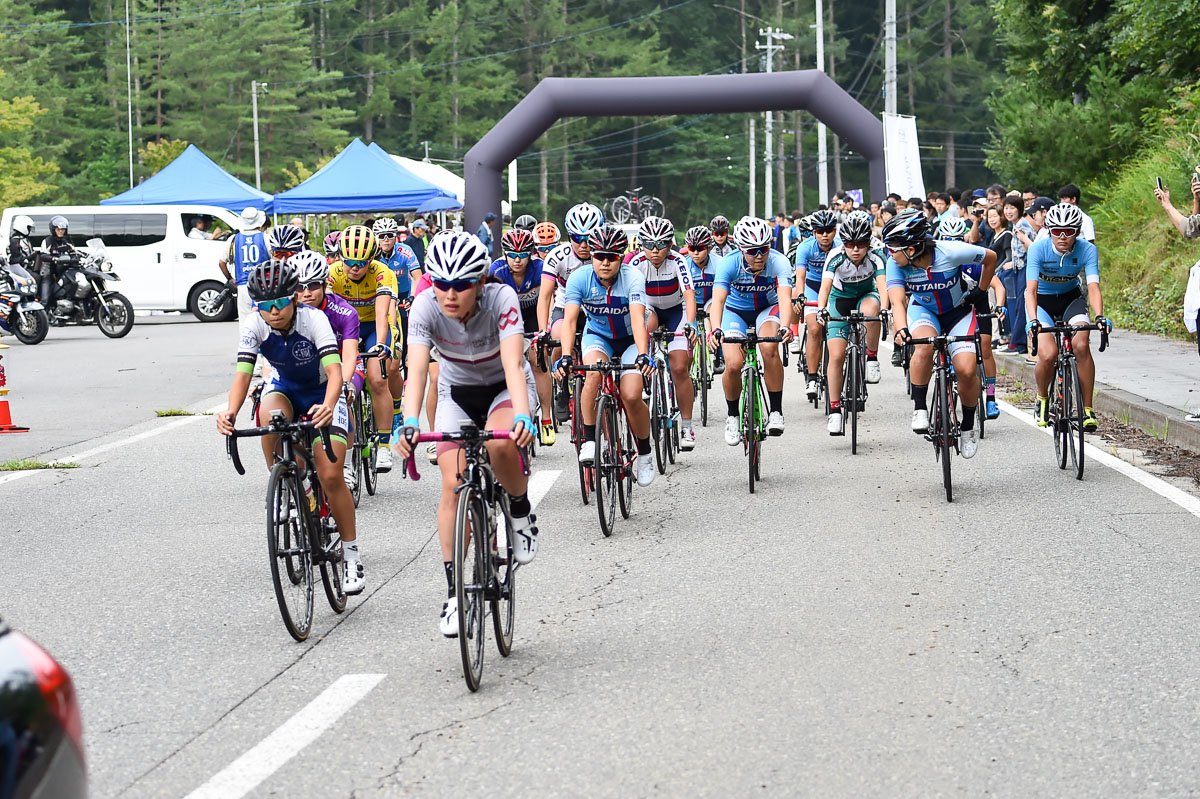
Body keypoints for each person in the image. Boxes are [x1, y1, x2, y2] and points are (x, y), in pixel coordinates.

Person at [395, 231, 538, 637]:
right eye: (442, 284)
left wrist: (524, 417)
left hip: (502, 387)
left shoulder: (502, 299)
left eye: (461, 285)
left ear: (479, 282)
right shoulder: (424, 306)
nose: (450, 294)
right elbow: (418, 370)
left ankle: (520, 510)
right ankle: (456, 592)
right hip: (457, 391)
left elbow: (513, 366)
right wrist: (408, 422)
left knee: (499, 443)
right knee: (452, 483)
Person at [215, 259, 364, 595]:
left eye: (281, 303)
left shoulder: (315, 320)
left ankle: (352, 555)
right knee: (268, 418)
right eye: (265, 306)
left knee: (329, 473)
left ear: (294, 297)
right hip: (284, 388)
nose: (274, 312)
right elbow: (242, 374)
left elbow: (335, 371)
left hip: (322, 390)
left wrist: (328, 405)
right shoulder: (254, 324)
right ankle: (288, 485)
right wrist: (230, 412)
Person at [884, 210, 997, 458]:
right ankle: (920, 408)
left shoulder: (952, 251)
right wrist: (902, 329)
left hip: (959, 312)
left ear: (911, 248)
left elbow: (991, 257)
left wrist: (981, 290)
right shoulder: (894, 264)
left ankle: (967, 425)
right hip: (924, 310)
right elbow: (898, 301)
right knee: (923, 347)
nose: (889, 253)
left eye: (893, 247)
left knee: (967, 370)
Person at [552, 223, 657, 487]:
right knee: (593, 375)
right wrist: (565, 355)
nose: (606, 262)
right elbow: (570, 321)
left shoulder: (632, 277)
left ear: (621, 257)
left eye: (612, 257)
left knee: (632, 395)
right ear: (592, 256)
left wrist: (643, 354)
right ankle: (589, 440)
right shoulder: (580, 278)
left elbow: (637, 319)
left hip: (630, 340)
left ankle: (644, 452)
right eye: (600, 256)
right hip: (598, 337)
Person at [708, 216, 795, 445]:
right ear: (740, 249)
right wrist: (715, 329)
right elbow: (717, 302)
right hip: (734, 311)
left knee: (769, 347)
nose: (759, 256)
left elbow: (785, 298)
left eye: (764, 249)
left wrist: (786, 325)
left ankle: (776, 411)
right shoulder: (729, 263)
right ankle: (732, 415)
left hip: (767, 309)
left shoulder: (778, 262)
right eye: (752, 251)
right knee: (733, 363)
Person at [1024, 203, 1111, 431]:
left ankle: (1087, 410)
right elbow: (1030, 290)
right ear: (1049, 230)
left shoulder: (1087, 250)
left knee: (1081, 345)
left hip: (1071, 299)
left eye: (1069, 231)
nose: (1062, 236)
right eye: (1056, 231)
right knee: (1049, 353)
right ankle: (1043, 398)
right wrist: (1033, 320)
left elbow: (1093, 286)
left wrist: (1100, 316)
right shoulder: (1038, 249)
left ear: (1078, 231)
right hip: (1041, 302)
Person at [328, 225, 399, 472]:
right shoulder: (332, 273)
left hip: (372, 327)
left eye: (361, 262)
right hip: (343, 326)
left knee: (378, 379)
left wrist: (381, 343)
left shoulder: (383, 272)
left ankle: (384, 446)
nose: (354, 268)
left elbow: (382, 314)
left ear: (372, 259)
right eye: (349, 262)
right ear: (340, 258)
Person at [293, 250, 364, 490]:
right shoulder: (287, 312)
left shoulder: (344, 313)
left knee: (344, 394)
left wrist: (344, 383)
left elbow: (350, 353)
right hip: (309, 368)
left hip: (344, 362)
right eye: (299, 287)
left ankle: (347, 463)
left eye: (312, 285)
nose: (306, 293)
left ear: (324, 284)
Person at [815, 211, 889, 435]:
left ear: (868, 243)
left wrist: (885, 310)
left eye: (861, 244)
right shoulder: (835, 256)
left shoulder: (876, 256)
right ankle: (835, 410)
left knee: (871, 312)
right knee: (836, 356)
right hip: (840, 300)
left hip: (866, 294)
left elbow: (883, 286)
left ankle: (872, 356)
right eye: (850, 244)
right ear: (843, 243)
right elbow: (825, 288)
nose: (855, 249)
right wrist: (821, 309)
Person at [629, 216, 699, 451]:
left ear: (670, 244)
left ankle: (687, 426)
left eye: (661, 245)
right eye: (649, 245)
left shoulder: (679, 261)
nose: (655, 251)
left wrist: (691, 323)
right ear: (641, 245)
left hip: (676, 311)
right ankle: (648, 376)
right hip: (651, 309)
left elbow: (689, 295)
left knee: (679, 368)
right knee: (645, 326)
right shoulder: (636, 262)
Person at [539, 202, 605, 421]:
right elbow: (545, 296)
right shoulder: (558, 256)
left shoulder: (606, 255)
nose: (584, 244)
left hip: (596, 307)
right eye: (577, 238)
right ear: (569, 236)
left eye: (590, 237)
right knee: (557, 339)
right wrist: (542, 331)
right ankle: (561, 386)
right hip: (565, 306)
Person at [490, 227, 554, 445]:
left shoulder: (540, 268)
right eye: (512, 255)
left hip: (534, 314)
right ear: (505, 254)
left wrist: (545, 330)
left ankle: (546, 419)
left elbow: (549, 299)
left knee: (539, 361)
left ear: (531, 253)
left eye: (522, 255)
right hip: (509, 316)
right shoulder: (497, 270)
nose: (517, 260)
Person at [793, 209, 842, 393]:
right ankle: (812, 378)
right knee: (814, 329)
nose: (824, 235)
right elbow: (800, 276)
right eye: (820, 231)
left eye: (828, 230)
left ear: (835, 231)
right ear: (814, 233)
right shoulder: (805, 248)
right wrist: (800, 294)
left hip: (835, 288)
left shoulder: (840, 246)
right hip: (813, 288)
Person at [218, 208, 271, 346]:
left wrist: (230, 278)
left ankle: (248, 355)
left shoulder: (234, 239)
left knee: (246, 325)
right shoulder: (265, 238)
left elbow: (222, 262)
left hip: (243, 287)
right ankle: (264, 360)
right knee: (266, 322)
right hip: (264, 286)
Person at [1000, 197, 1028, 353]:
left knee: (1021, 305)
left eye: (1012, 208)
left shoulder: (1022, 225)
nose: (1008, 211)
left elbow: (1028, 247)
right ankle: (1017, 342)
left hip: (1024, 269)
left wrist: (1014, 264)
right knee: (1017, 304)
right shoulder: (1016, 225)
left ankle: (1019, 343)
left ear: (1020, 209)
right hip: (1018, 269)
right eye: (1006, 208)